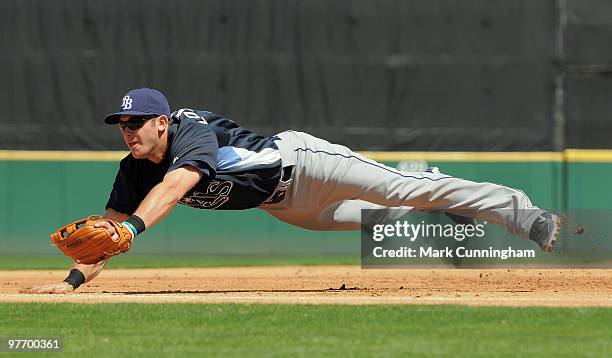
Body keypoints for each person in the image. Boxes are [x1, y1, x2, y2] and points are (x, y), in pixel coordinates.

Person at [23, 88, 560, 293]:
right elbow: (104, 237)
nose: (129, 130)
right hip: (282, 205)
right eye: (122, 123)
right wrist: (73, 279)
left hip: (305, 163)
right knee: (374, 218)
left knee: (405, 187)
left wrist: (132, 227)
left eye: (138, 121)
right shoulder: (132, 167)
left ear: (162, 121)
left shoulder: (191, 129)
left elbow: (179, 184)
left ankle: (524, 215)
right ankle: (438, 209)